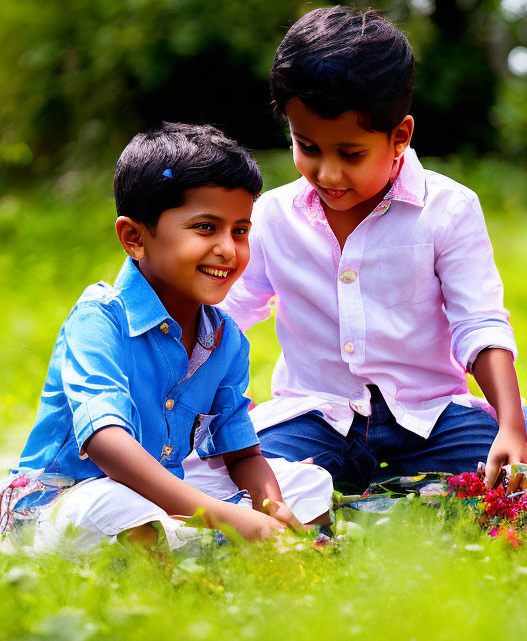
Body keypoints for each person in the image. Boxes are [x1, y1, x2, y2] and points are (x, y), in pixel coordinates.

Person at [218, 6, 527, 492]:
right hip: (312, 417)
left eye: (350, 154)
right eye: (307, 146)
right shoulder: (272, 216)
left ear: (399, 136)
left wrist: (509, 424)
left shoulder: (448, 210)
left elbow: (478, 323)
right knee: (238, 481)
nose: (327, 174)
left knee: (525, 479)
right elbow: (228, 312)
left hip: (430, 420)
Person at [0, 123, 333, 552]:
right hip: (67, 497)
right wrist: (227, 515)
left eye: (240, 230)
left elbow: (243, 452)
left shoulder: (225, 339)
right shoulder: (99, 319)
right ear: (134, 238)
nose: (229, 250)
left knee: (307, 481)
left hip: (164, 489)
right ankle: (195, 549)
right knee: (114, 506)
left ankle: (214, 542)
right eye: (206, 228)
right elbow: (107, 445)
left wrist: (271, 506)